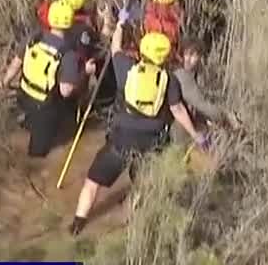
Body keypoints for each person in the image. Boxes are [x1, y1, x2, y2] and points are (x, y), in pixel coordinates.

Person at [68, 27, 206, 236]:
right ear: (166, 55)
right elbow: (178, 110)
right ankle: (130, 224)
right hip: (149, 143)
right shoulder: (170, 80)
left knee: (92, 183)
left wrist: (120, 25)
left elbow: (115, 48)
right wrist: (196, 134)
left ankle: (78, 223)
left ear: (143, 51)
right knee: (142, 185)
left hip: (120, 141)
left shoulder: (126, 68)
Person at [0, 0, 96, 159]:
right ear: (71, 23)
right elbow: (66, 91)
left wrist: (4, 83)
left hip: (23, 95)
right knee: (37, 155)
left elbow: (16, 63)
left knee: (30, 125)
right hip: (44, 106)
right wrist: (85, 72)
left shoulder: (35, 36)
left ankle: (27, 124)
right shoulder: (68, 54)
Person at [170, 38, 240, 145]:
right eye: (186, 54)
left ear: (200, 57)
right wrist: (225, 116)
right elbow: (201, 104)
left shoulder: (192, 74)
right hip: (175, 129)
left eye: (193, 55)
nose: (188, 59)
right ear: (181, 55)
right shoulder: (182, 75)